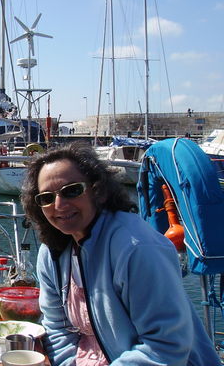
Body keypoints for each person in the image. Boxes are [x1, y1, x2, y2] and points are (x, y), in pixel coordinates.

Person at [21, 142, 219, 365]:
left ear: (98, 191)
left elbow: (165, 347)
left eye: (72, 191)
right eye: (46, 198)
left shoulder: (137, 248)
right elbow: (56, 327)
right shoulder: (53, 252)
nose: (59, 204)